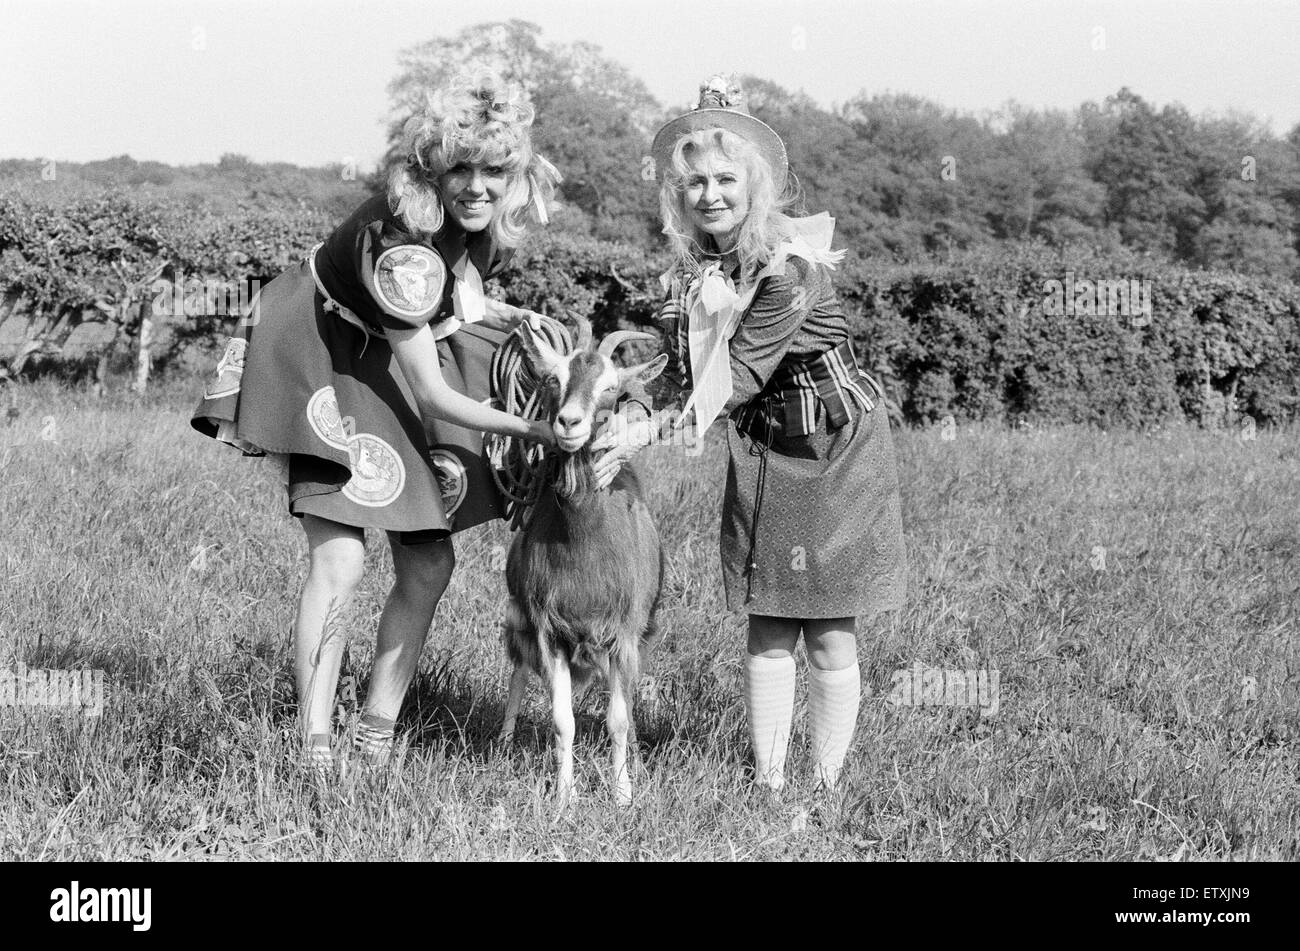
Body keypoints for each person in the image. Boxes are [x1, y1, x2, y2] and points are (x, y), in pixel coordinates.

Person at [192, 71, 560, 774]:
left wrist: (513, 316)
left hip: (377, 346)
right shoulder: (402, 249)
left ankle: (376, 735)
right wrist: (531, 430)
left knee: (429, 558)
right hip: (318, 352)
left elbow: (463, 295)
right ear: (430, 168)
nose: (477, 186)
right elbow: (430, 392)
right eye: (459, 168)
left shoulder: (476, 226)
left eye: (494, 169)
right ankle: (314, 746)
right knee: (343, 557)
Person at [597, 74, 907, 791]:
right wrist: (624, 400)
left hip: (836, 453)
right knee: (767, 624)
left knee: (829, 629)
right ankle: (768, 786)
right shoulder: (697, 271)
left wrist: (647, 433)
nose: (711, 193)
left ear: (757, 184)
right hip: (767, 450)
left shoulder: (789, 268)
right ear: (679, 192)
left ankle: (824, 785)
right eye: (696, 180)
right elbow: (683, 369)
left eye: (726, 178)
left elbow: (732, 377)